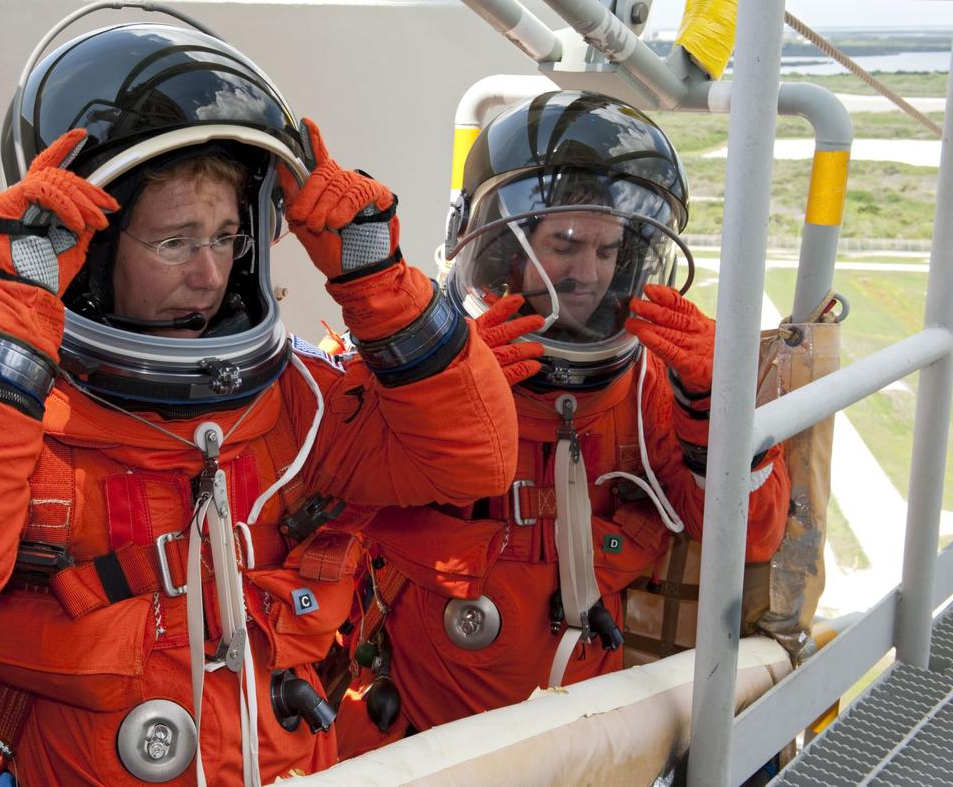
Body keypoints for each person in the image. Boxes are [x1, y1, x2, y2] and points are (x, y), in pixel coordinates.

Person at [0, 18, 536, 787]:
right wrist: (11, 317)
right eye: (173, 241)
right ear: (88, 251)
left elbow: (474, 459)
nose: (209, 274)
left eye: (227, 236)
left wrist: (379, 280)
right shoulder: (10, 412)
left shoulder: (297, 409)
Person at [335, 90, 791, 753]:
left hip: (580, 740)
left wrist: (714, 408)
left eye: (607, 250)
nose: (587, 274)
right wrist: (443, 392)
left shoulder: (647, 385)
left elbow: (748, 538)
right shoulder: (421, 367)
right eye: (566, 244)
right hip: (417, 738)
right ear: (497, 248)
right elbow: (325, 495)